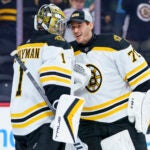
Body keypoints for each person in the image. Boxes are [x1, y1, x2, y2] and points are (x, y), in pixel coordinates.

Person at [67, 9, 150, 150]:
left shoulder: (113, 44)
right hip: (89, 126)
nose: (75, 30)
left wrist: (143, 104)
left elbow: (143, 78)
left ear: (90, 25)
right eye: (73, 27)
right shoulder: (68, 53)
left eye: (79, 25)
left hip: (121, 121)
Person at [10, 4, 74, 150]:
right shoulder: (55, 44)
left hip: (18, 122)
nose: (61, 29)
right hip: (41, 121)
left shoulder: (21, 47)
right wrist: (63, 111)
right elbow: (55, 82)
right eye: (59, 24)